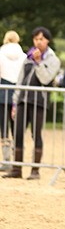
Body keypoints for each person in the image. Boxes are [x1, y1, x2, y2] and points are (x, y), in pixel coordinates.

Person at [5, 26, 61, 180]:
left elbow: (45, 79)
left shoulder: (53, 60)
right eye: (36, 39)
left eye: (41, 39)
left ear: (48, 40)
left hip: (39, 101)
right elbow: (20, 80)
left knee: (36, 134)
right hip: (23, 99)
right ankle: (17, 168)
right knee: (17, 133)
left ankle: (35, 170)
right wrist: (15, 102)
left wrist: (38, 62)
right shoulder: (27, 57)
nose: (38, 42)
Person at [0, 30, 23, 170]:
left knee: (3, 126)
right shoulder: (23, 55)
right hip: (17, 90)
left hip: (3, 89)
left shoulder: (1, 53)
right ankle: (17, 158)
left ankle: (6, 159)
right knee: (16, 125)